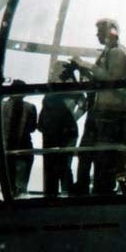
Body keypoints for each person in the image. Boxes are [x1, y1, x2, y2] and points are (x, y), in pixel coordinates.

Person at [74, 18, 126, 195]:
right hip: (102, 114)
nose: (97, 34)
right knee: (89, 154)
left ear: (111, 32)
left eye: (100, 31)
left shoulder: (116, 53)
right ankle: (90, 188)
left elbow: (113, 79)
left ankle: (99, 190)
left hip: (109, 115)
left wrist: (86, 66)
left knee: (100, 156)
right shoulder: (111, 53)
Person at [38, 60, 85, 197]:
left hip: (54, 131)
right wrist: (72, 118)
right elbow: (83, 104)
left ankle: (53, 194)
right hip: (62, 130)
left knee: (55, 164)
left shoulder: (54, 92)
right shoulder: (71, 91)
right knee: (62, 164)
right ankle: (66, 193)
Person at [1, 79, 38, 196]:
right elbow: (32, 128)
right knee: (21, 184)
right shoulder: (30, 107)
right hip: (25, 147)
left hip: (7, 147)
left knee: (9, 183)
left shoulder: (2, 106)